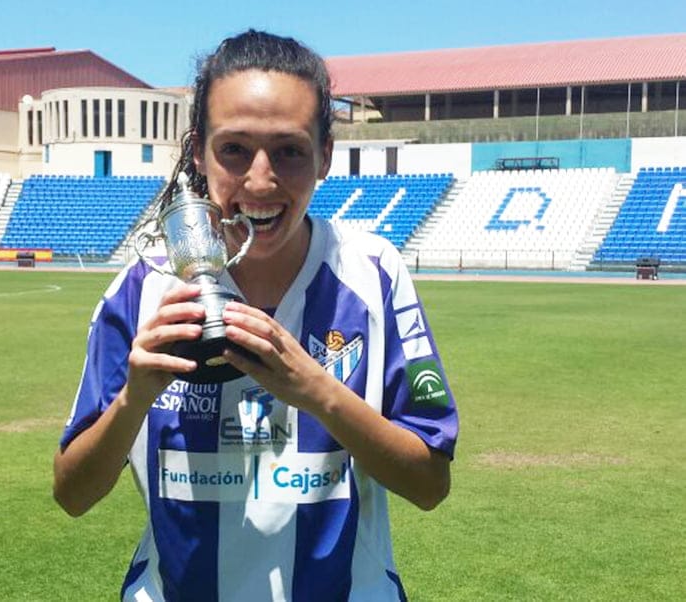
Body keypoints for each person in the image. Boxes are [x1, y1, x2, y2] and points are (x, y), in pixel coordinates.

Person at [53, 29, 459, 601]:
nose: (261, 179)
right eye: (235, 149)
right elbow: (72, 494)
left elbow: (429, 484)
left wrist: (317, 391)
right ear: (199, 151)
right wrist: (133, 398)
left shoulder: (374, 274)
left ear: (325, 155)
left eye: (289, 150)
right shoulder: (144, 289)